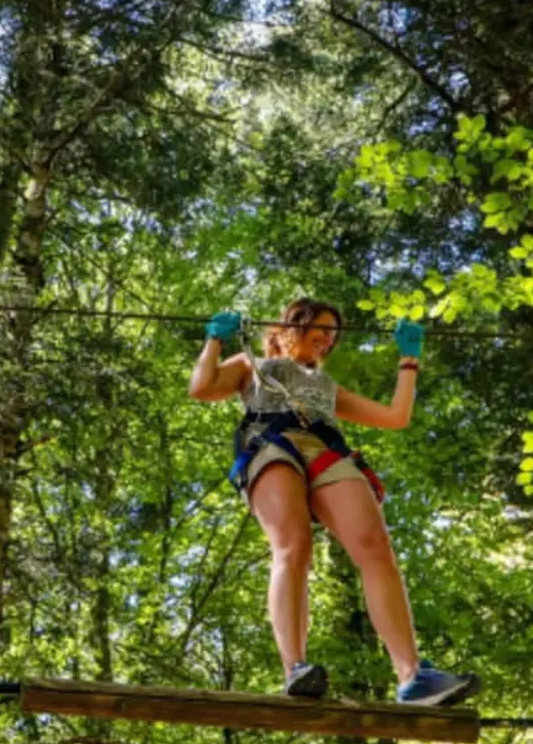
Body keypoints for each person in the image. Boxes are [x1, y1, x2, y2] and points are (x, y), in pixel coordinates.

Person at [188, 299, 479, 706]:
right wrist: (213, 342)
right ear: (293, 327)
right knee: (293, 545)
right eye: (321, 330)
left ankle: (412, 676)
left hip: (325, 450)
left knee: (375, 547)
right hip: (271, 443)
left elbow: (395, 416)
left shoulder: (327, 387)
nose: (328, 341)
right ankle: (295, 667)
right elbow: (201, 387)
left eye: (334, 336)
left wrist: (409, 360)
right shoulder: (251, 365)